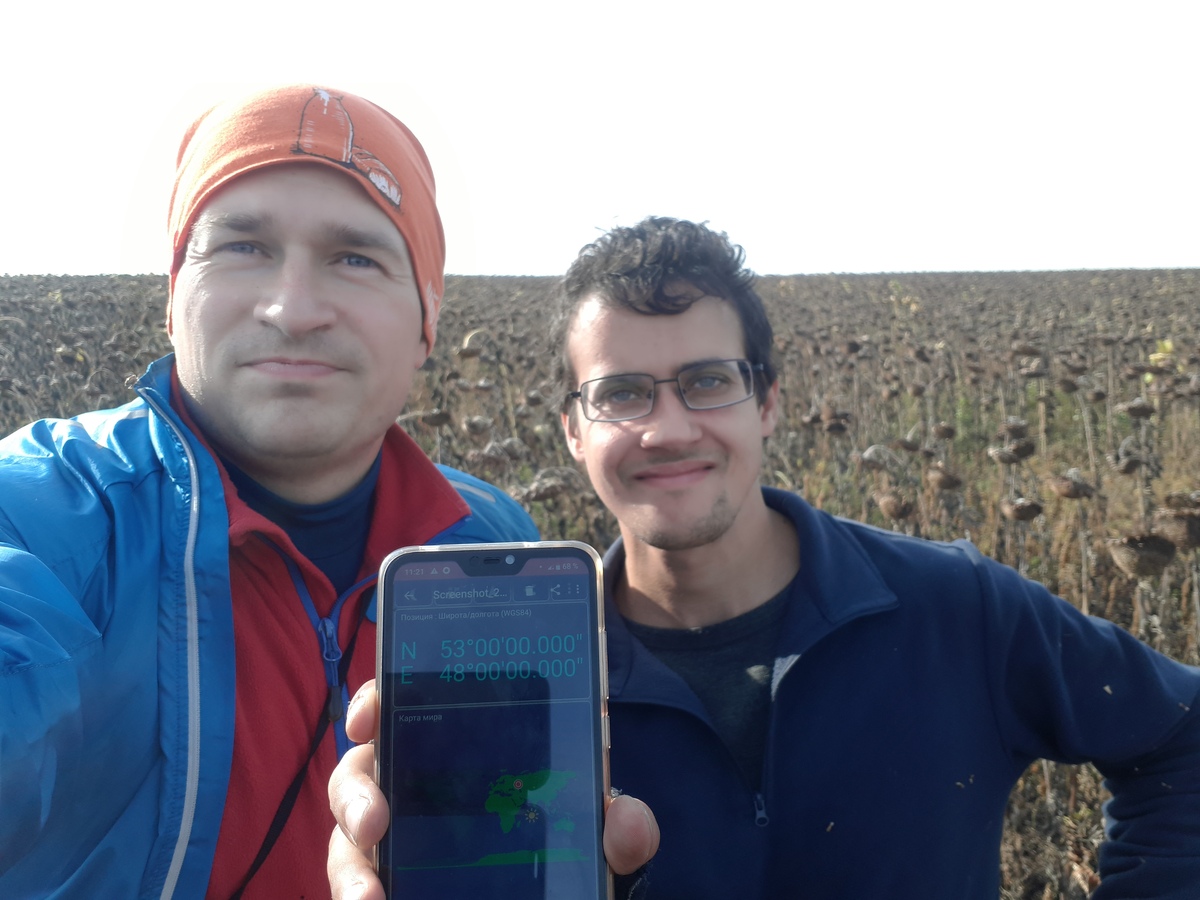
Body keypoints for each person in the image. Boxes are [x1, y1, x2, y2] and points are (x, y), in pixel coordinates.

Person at [330, 215, 1200, 898]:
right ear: (572, 430)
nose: (669, 429)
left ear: (768, 402)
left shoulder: (953, 608)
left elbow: (1181, 736)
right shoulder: (524, 689)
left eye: (708, 381)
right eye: (622, 393)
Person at [0, 84, 656, 899]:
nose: (293, 308)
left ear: (426, 321)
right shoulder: (48, 512)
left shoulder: (489, 539)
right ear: (174, 297)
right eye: (242, 247)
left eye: (355, 258)